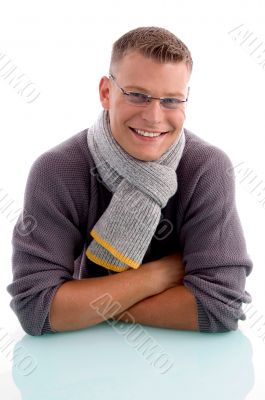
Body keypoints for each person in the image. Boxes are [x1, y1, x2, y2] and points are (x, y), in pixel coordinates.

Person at [7, 26, 253, 336]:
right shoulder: (57, 170)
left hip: (189, 374)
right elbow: (36, 309)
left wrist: (84, 306)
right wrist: (156, 277)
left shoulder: (206, 168)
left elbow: (221, 307)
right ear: (106, 93)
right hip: (83, 367)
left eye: (171, 101)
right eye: (138, 95)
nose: (154, 116)